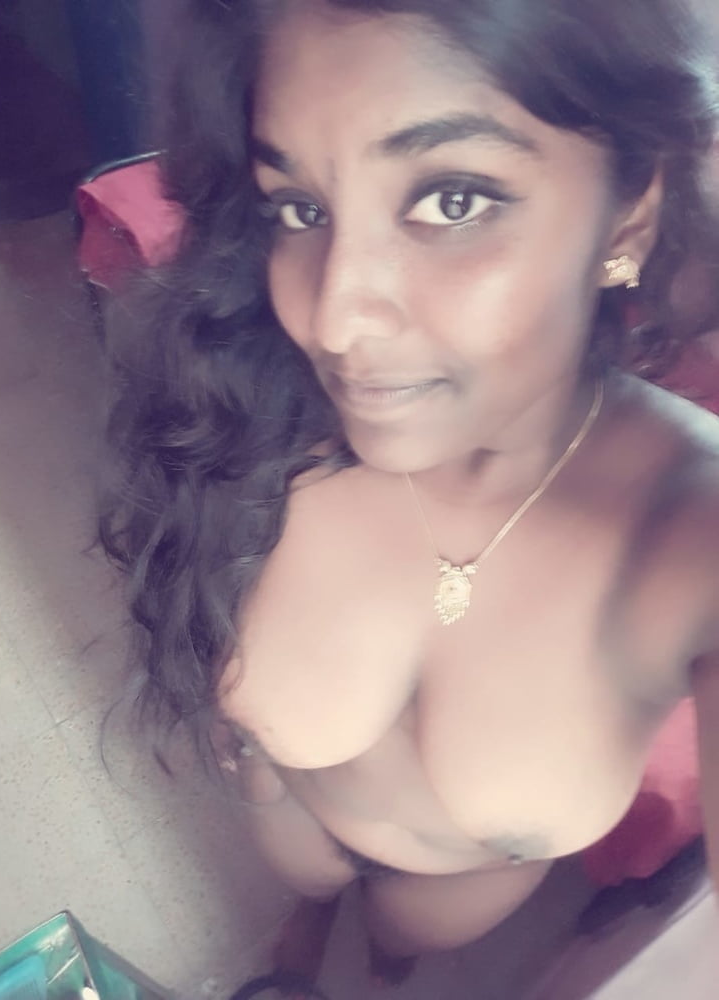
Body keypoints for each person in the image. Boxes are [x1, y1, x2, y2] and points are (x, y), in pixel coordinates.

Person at [100, 0, 719, 990]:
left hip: (453, 886)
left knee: (395, 951)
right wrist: (248, 736)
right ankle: (307, 931)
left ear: (629, 215)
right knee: (309, 905)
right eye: (298, 209)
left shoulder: (694, 530)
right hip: (289, 814)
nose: (334, 319)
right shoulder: (257, 405)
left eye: (453, 200)